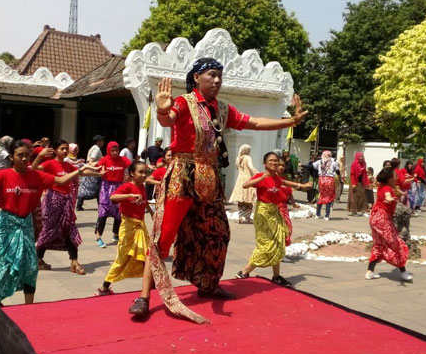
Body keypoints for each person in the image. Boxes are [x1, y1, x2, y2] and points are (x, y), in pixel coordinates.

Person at [127, 58, 307, 321]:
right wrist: (163, 111)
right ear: (197, 77)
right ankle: (143, 297)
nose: (217, 80)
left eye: (220, 76)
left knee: (217, 233)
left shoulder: (222, 109)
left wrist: (289, 122)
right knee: (162, 238)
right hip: (183, 175)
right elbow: (169, 120)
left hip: (209, 178)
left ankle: (207, 284)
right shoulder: (184, 102)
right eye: (212, 75)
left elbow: (254, 122)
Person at [0, 142, 88, 315]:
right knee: (2, 264)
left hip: (26, 224)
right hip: (6, 225)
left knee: (30, 266)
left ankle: (29, 307)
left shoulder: (36, 175)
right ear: (11, 157)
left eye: (27, 155)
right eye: (20, 155)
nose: (25, 158)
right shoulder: (3, 175)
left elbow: (61, 180)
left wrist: (80, 170)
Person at [236, 152, 308, 285]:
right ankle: (244, 271)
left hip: (275, 212)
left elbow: (284, 182)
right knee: (266, 245)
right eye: (271, 161)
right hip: (263, 213)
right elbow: (245, 185)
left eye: (276, 161)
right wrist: (261, 178)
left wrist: (301, 186)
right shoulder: (261, 176)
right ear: (265, 164)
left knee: (279, 242)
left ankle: (276, 276)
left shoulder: (277, 178)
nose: (274, 163)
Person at [95, 161, 154, 296]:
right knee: (122, 259)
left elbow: (143, 202)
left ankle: (152, 284)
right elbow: (113, 197)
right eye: (141, 172)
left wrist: (151, 211)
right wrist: (129, 196)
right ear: (132, 174)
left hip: (140, 227)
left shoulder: (142, 187)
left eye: (145, 172)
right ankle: (105, 287)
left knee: (148, 255)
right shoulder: (127, 186)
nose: (144, 175)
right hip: (128, 227)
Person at [32, 141, 86, 275]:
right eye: (61, 148)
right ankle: (38, 260)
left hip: (66, 203)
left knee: (69, 229)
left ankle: (74, 262)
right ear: (55, 150)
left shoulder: (68, 165)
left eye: (66, 149)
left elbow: (81, 173)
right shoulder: (49, 164)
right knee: (48, 231)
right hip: (53, 202)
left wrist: (99, 173)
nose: (64, 151)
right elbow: (33, 170)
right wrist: (39, 156)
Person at [365, 167, 412, 281]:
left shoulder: (383, 186)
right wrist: (389, 198)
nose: (397, 177)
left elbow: (391, 192)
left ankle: (370, 271)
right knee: (396, 243)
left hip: (375, 218)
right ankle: (403, 271)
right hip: (382, 219)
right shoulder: (386, 188)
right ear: (390, 178)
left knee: (379, 244)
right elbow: (388, 195)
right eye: (395, 176)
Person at [94, 141, 132, 247]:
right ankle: (98, 237)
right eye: (112, 150)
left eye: (116, 150)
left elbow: (133, 165)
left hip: (119, 188)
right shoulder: (104, 160)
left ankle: (116, 234)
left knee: (118, 213)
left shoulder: (122, 160)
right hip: (105, 189)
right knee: (103, 213)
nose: (115, 153)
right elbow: (96, 167)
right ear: (108, 150)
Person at [229, 144, 258, 224]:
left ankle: (241, 216)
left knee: (241, 199)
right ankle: (247, 217)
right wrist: (258, 174)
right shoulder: (248, 157)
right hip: (248, 179)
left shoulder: (238, 158)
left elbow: (237, 167)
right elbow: (251, 167)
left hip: (240, 180)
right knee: (249, 199)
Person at [77, 135, 104, 210]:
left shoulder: (93, 148)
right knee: (97, 189)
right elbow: (91, 161)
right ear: (98, 141)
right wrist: (98, 163)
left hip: (90, 170)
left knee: (85, 188)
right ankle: (100, 206)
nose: (103, 142)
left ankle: (79, 204)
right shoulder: (96, 149)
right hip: (93, 172)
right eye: (102, 141)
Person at [313, 150, 339, 220]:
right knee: (329, 197)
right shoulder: (333, 162)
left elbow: (311, 166)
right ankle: (326, 216)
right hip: (330, 180)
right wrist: (341, 177)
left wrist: (302, 165)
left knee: (321, 196)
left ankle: (317, 214)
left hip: (321, 180)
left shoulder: (319, 162)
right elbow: (337, 171)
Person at [347, 152, 369, 217]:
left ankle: (363, 211)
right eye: (359, 157)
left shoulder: (364, 164)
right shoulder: (354, 164)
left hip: (361, 183)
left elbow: (365, 174)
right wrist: (353, 184)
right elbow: (352, 174)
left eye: (362, 157)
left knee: (363, 197)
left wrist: (367, 183)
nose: (361, 158)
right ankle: (354, 211)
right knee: (354, 197)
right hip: (355, 182)